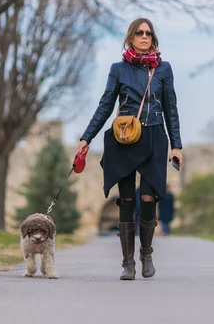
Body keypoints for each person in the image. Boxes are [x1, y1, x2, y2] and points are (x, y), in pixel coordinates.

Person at [77, 18, 183, 280]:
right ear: (130, 38)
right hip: (124, 139)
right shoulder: (118, 69)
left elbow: (171, 108)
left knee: (147, 199)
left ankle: (146, 254)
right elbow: (105, 105)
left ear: (153, 38)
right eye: (139, 33)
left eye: (148, 33)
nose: (144, 37)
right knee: (126, 200)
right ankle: (127, 263)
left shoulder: (163, 69)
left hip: (155, 137)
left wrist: (177, 145)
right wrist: (86, 138)